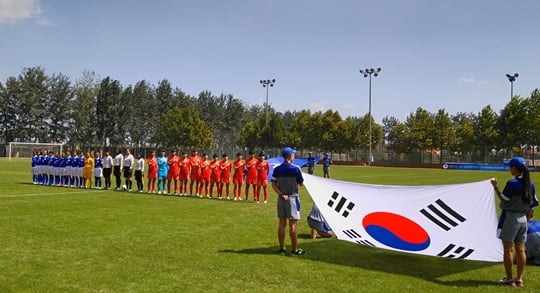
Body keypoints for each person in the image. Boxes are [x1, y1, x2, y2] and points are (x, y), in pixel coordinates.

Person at [491, 157, 538, 287]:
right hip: (523, 218)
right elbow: (533, 203)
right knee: (521, 250)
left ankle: (509, 279)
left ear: (514, 168)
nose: (509, 169)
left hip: (510, 218)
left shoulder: (512, 183)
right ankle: (519, 279)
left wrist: (495, 187)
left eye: (510, 167)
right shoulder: (530, 184)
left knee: (508, 250)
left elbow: (504, 199)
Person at [271, 146, 305, 256]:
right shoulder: (295, 168)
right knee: (293, 225)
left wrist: (281, 194)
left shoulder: (277, 169)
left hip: (281, 198)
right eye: (293, 154)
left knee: (281, 224)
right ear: (290, 156)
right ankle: (295, 249)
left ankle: (281, 248)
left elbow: (273, 184)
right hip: (292, 198)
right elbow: (301, 183)